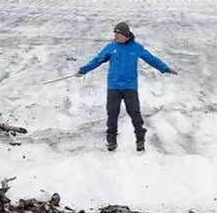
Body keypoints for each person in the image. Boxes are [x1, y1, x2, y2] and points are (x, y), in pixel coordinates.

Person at [76, 22, 177, 152]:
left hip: (130, 87)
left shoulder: (136, 48)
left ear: (125, 35)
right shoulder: (111, 47)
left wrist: (165, 68)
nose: (115, 36)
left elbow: (151, 59)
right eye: (115, 34)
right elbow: (98, 60)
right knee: (112, 114)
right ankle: (111, 142)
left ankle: (140, 140)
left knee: (135, 114)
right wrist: (83, 70)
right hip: (114, 86)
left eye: (117, 34)